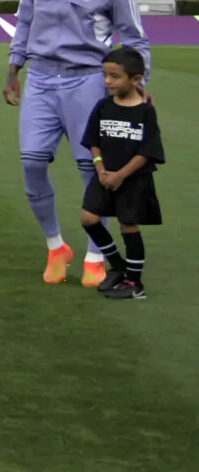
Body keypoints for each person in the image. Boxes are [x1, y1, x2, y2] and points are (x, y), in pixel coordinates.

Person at [5, 0, 150, 288]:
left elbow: (135, 40)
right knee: (32, 163)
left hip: (87, 79)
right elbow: (25, 19)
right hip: (40, 78)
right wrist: (14, 68)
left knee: (94, 170)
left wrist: (139, 87)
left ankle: (95, 255)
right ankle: (56, 247)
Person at [81, 47, 163, 301]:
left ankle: (135, 284)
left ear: (136, 79)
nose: (108, 81)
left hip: (133, 179)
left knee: (128, 225)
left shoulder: (145, 111)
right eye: (105, 75)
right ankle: (118, 266)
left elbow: (148, 150)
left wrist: (121, 175)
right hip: (104, 175)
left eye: (115, 76)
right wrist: (101, 169)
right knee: (88, 219)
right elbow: (93, 141)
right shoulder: (103, 106)